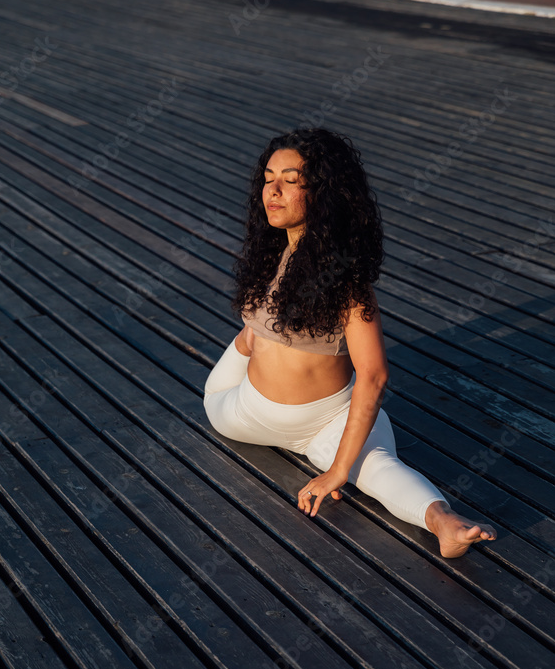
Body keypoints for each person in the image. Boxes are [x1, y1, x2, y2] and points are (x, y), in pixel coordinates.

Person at [203, 128, 496, 558]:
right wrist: (254, 337)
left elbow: (374, 376)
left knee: (377, 469)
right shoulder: (269, 254)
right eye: (268, 178)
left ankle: (446, 524)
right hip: (246, 412)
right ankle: (252, 342)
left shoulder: (349, 285)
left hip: (329, 419)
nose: (273, 190)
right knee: (212, 394)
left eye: (290, 180)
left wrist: (338, 470)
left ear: (322, 194)